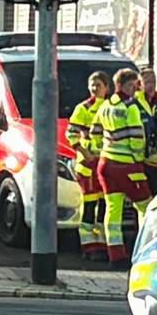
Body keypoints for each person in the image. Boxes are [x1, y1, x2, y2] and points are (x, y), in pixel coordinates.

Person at [93, 68, 150, 268]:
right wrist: (138, 157)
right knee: (145, 206)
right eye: (132, 86)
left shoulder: (105, 106)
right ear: (123, 85)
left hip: (106, 163)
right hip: (127, 164)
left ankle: (115, 254)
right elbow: (136, 136)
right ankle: (145, 250)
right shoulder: (130, 107)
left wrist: (102, 149)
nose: (135, 90)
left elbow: (95, 132)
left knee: (113, 209)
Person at [67, 71, 112, 260]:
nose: (95, 88)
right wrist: (84, 152)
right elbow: (71, 134)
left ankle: (102, 244)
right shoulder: (83, 108)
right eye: (92, 85)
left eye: (99, 85)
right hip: (87, 165)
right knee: (89, 205)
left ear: (106, 87)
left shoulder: (111, 107)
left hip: (105, 163)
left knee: (103, 206)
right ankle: (89, 247)